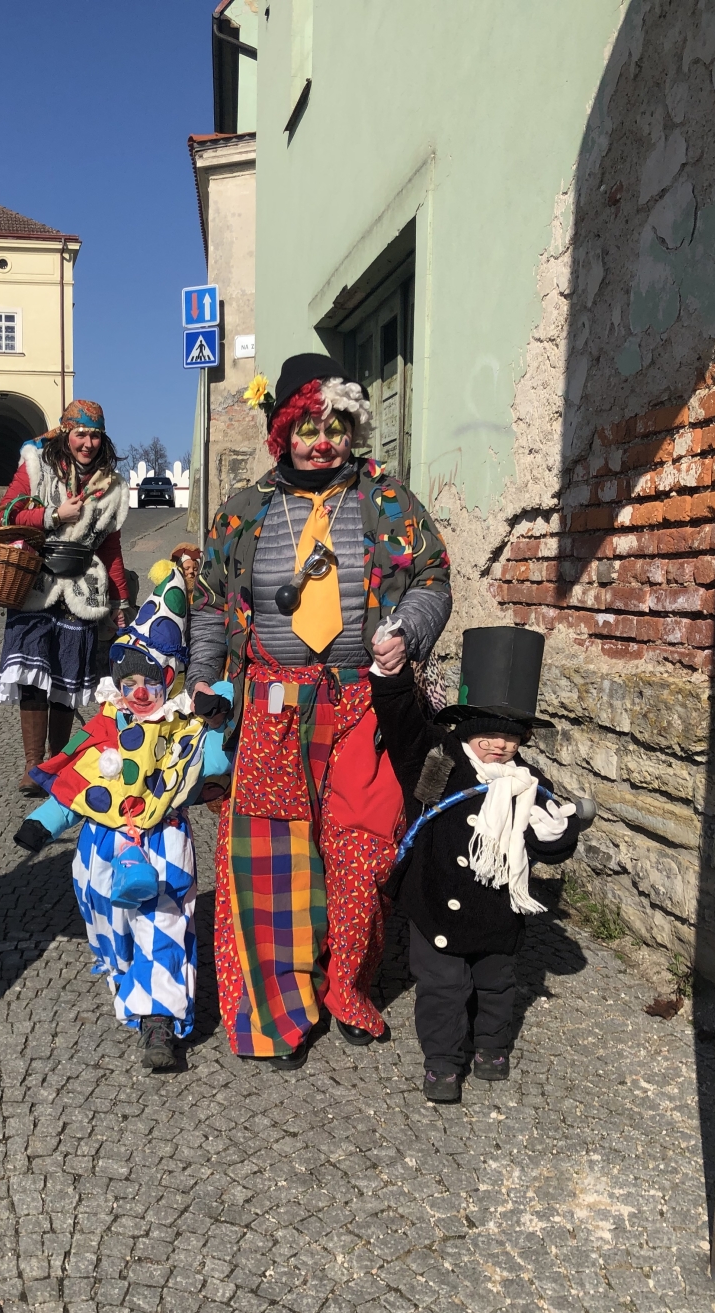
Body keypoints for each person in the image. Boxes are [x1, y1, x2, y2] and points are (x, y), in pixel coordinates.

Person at [188, 352, 452, 1068]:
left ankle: (346, 986)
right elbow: (208, 602)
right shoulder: (242, 511)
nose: (322, 442)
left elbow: (431, 577)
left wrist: (407, 632)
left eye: (335, 428)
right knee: (271, 860)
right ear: (283, 430)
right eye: (307, 428)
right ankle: (278, 1011)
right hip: (270, 706)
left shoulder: (387, 502)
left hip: (362, 700)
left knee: (362, 850)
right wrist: (204, 678)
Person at [12, 561, 230, 1070]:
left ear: (168, 679)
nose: (139, 690)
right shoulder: (103, 729)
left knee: (165, 924)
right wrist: (43, 823)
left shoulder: (183, 730)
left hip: (164, 844)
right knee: (112, 930)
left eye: (149, 680)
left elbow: (216, 763)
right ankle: (126, 978)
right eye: (128, 680)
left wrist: (217, 715)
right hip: (101, 853)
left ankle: (159, 1021)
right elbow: (78, 784)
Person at [370, 626, 581, 1102]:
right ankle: (443, 1063)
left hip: (497, 909)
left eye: (511, 736)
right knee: (443, 985)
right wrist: (391, 674)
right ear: (466, 727)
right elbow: (402, 724)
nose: (499, 745)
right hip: (436, 901)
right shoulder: (439, 761)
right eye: (488, 732)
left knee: (496, 983)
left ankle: (491, 1046)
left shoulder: (527, 782)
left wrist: (556, 833)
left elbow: (550, 838)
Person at [0, 399, 131, 793]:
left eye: (95, 435)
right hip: (35, 583)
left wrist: (120, 602)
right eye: (80, 433)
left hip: (82, 587)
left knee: (67, 679)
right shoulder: (36, 466)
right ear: (66, 432)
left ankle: (57, 765)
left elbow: (111, 549)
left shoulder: (113, 487)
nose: (88, 443)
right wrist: (52, 516)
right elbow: (5, 514)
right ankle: (33, 765)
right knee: (33, 675)